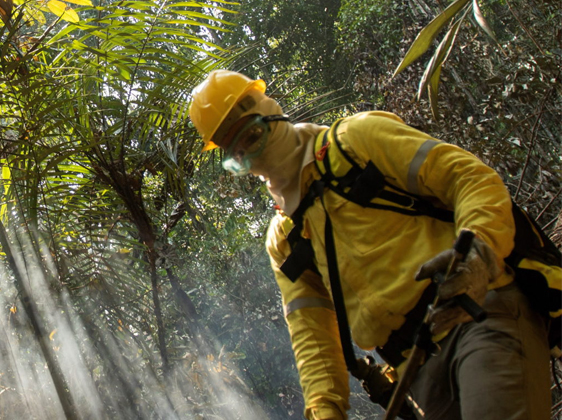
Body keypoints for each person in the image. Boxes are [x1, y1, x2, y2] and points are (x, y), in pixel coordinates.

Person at [187, 70, 551, 420]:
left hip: (478, 312)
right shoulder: (285, 238)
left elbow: (469, 178)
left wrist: (479, 254)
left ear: (271, 113)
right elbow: (313, 336)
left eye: (252, 135)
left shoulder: (356, 141)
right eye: (237, 153)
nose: (252, 155)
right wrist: (324, 409)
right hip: (417, 369)